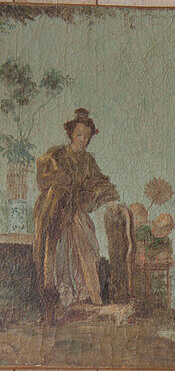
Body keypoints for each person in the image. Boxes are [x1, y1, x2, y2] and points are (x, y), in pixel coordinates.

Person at [33, 108, 119, 310]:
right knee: (64, 238)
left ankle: (84, 290)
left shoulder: (88, 161)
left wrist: (111, 199)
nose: (83, 139)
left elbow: (100, 182)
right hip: (55, 208)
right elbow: (45, 178)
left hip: (75, 209)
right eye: (79, 134)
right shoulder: (57, 154)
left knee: (85, 229)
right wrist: (62, 190)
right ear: (71, 134)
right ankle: (63, 289)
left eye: (86, 136)